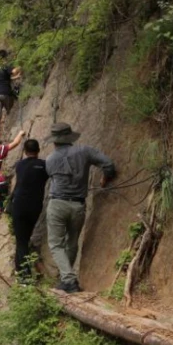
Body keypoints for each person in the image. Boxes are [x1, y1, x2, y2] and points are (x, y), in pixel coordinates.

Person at [44, 122, 115, 293]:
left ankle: (68, 280)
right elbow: (108, 164)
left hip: (57, 204)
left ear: (54, 141)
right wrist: (105, 179)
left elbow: (52, 176)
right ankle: (66, 278)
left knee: (55, 244)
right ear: (69, 137)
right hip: (78, 205)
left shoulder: (50, 160)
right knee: (72, 241)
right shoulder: (85, 151)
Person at [10, 138, 48, 282]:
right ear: (38, 151)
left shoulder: (19, 165)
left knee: (21, 241)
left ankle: (25, 277)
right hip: (35, 208)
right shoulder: (44, 165)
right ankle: (19, 269)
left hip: (19, 205)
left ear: (25, 152)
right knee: (24, 239)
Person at [0, 50, 16, 135]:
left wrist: (13, 78)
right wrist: (19, 68)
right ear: (5, 57)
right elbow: (14, 71)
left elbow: (1, 78)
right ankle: (9, 130)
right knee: (11, 110)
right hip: (5, 93)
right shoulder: (5, 65)